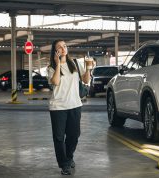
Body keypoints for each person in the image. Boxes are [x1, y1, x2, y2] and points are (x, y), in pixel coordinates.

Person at [47, 39, 91, 175]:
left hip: (75, 104)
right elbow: (55, 81)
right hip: (58, 107)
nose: (63, 48)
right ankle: (64, 164)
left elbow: (86, 80)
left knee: (74, 135)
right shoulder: (51, 68)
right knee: (59, 138)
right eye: (59, 47)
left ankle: (69, 157)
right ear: (55, 51)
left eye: (64, 46)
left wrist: (88, 68)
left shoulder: (76, 63)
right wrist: (58, 63)